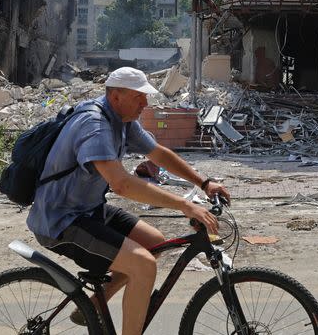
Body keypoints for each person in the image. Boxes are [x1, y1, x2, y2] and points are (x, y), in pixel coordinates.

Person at [27, 67, 231, 335]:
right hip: (60, 220)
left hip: (88, 210)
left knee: (156, 243)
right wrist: (184, 205)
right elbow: (121, 184)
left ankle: (94, 304)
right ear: (116, 96)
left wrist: (203, 183)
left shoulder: (122, 120)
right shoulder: (94, 125)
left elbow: (158, 153)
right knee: (143, 266)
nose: (145, 104)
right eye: (139, 97)